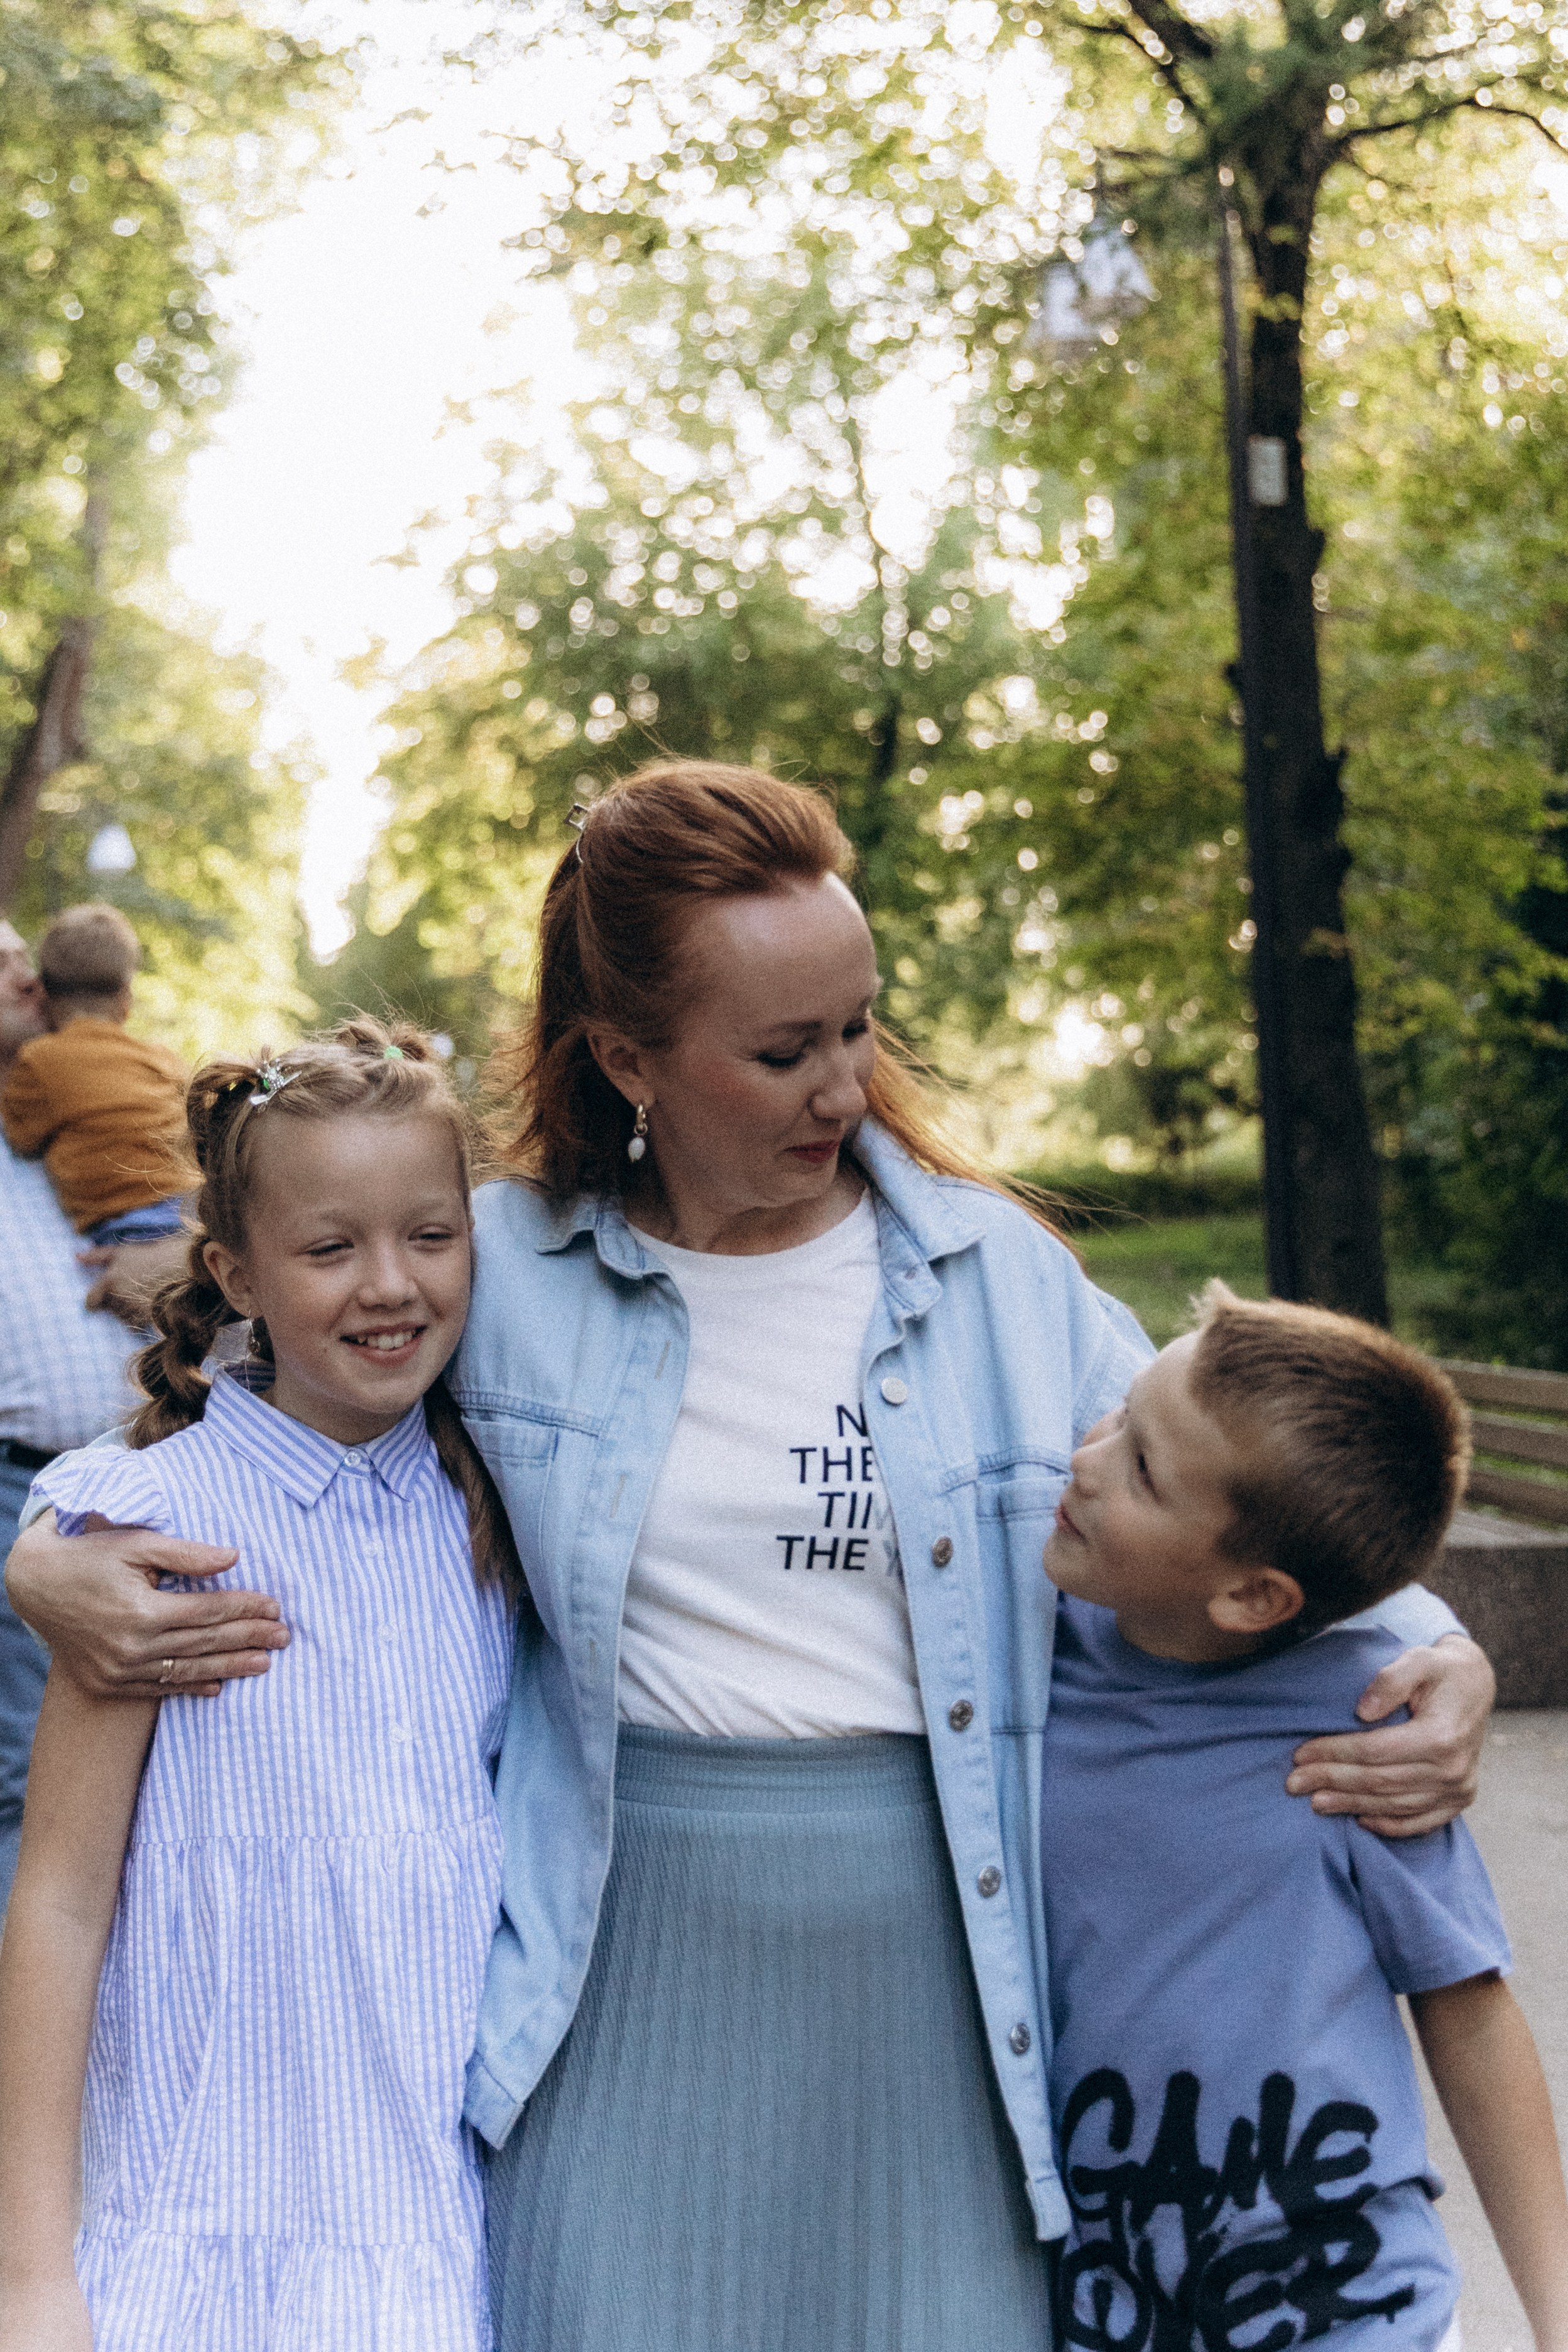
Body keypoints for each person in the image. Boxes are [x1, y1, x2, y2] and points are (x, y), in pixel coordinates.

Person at [6, 766, 1498, 2352]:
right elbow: (274, 1395)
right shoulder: (505, 1269)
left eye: (856, 1027)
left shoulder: (996, 1281)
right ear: (627, 1057)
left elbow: (1236, 1491)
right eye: (784, 1051)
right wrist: (43, 1556)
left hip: (932, 1998)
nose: (841, 1085)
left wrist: (1433, 1640)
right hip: (605, 1996)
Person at [0, 1021, 518, 2352]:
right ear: (236, 1273)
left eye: (431, 1235)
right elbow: (60, 1901)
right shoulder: (151, 1531)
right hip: (192, 2237)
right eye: (329, 1248)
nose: (390, 1284)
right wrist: (30, 2277)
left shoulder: (497, 1511)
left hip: (428, 2248)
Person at [1040, 1287, 1568, 2352]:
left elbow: (1467, 2011)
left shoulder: (1371, 1725)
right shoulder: (1020, 1660)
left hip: (1355, 2312)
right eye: (1121, 1412)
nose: (1086, 1459)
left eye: (1142, 1468)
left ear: (1252, 1596)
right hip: (1100, 2311)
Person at [0, 920, 146, 1918]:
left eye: (27, 956)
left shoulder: (94, 1117)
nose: (23, 970)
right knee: (23, 1770)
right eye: (1, 959)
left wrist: (180, 1257)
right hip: (17, 1482)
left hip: (138, 1474)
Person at [0, 901, 191, 1244]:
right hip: (183, 1209)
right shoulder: (161, 1059)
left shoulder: (43, 1069)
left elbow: (21, 1138)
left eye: (27, 962)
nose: (30, 981)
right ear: (126, 999)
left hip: (149, 1225)